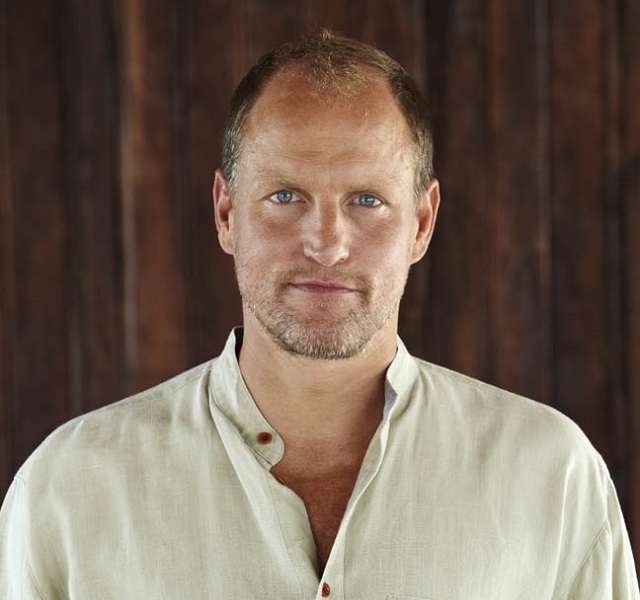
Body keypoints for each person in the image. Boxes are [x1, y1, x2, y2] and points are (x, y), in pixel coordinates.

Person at [1, 30, 638, 600]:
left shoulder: (552, 478)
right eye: (285, 196)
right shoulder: (68, 492)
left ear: (422, 224)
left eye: (367, 200)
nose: (327, 245)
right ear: (226, 213)